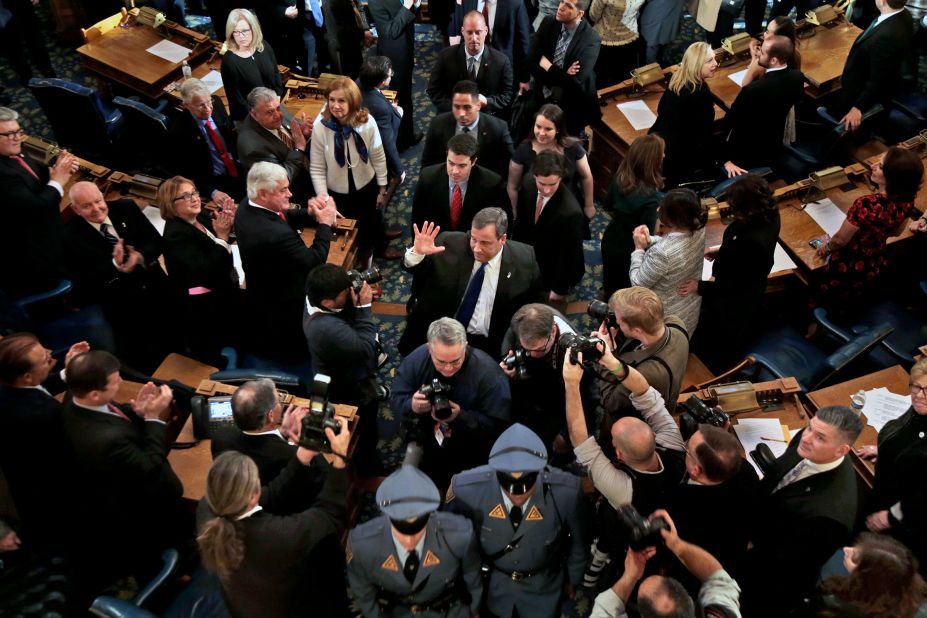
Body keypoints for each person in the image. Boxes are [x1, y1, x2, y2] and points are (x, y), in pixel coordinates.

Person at [62, 350, 190, 604]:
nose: (120, 381)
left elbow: (111, 413)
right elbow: (151, 467)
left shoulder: (73, 398)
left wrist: (138, 411)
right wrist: (154, 419)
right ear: (95, 393)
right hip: (136, 511)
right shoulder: (106, 442)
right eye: (115, 380)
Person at [196, 418, 352, 618]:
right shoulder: (279, 535)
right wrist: (339, 458)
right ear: (253, 495)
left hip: (243, 604)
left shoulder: (206, 509)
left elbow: (273, 493)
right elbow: (329, 513)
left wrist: (301, 457)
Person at [563, 342, 686, 586]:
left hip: (626, 529)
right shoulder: (675, 445)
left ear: (617, 454)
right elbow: (646, 394)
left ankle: (597, 570)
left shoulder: (622, 489)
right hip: (670, 510)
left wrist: (571, 383)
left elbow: (581, 443)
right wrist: (612, 363)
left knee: (610, 540)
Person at [445, 423, 588, 618]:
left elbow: (580, 543)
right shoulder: (467, 488)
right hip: (493, 589)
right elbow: (453, 548)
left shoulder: (566, 492)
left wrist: (573, 580)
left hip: (544, 590)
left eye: (526, 485)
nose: (518, 497)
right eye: (509, 486)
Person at [739, 406, 864, 618]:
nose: (806, 437)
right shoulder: (807, 441)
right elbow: (777, 475)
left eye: (820, 437)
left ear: (841, 450)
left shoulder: (831, 516)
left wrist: (751, 544)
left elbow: (787, 562)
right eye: (809, 428)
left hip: (769, 577)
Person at [398, 208, 544, 357]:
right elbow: (419, 272)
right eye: (474, 239)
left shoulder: (525, 260)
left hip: (491, 345)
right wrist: (417, 254)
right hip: (442, 334)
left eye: (485, 243)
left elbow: (536, 306)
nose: (477, 248)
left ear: (503, 239)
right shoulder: (448, 243)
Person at [346, 464, 483, 618]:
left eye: (417, 532)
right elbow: (363, 592)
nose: (410, 541)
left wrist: (474, 611)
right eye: (401, 532)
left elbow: (473, 578)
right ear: (388, 518)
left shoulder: (459, 535)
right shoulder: (361, 545)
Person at [391, 317, 511, 492]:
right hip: (427, 437)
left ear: (466, 346)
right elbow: (396, 397)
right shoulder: (416, 360)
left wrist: (461, 416)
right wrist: (411, 405)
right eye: (441, 361)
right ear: (428, 348)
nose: (448, 368)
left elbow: (498, 426)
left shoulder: (489, 376)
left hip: (470, 449)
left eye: (455, 361)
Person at [62, 181, 172, 371]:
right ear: (75, 208)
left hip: (157, 289)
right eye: (87, 206)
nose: (97, 209)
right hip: (122, 308)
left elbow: (155, 242)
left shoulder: (126, 208)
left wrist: (140, 256)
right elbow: (82, 287)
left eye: (98, 201)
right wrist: (114, 265)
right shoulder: (68, 237)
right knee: (150, 360)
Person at [234, 162, 336, 360]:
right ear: (263, 193)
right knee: (295, 341)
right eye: (283, 190)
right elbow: (313, 260)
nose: (290, 194)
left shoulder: (248, 203)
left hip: (265, 286)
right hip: (285, 297)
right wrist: (324, 223)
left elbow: (281, 215)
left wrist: (309, 213)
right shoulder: (274, 234)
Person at [678, 175, 779, 372]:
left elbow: (736, 285)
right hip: (741, 275)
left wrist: (700, 286)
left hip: (734, 301)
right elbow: (740, 243)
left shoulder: (754, 242)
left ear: (748, 208)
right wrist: (724, 250)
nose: (731, 210)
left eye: (735, 207)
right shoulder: (769, 214)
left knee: (716, 340)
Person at [0, 335, 87, 555]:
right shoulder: (43, 414)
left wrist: (68, 372)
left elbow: (38, 387)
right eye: (44, 360)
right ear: (26, 376)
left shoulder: (9, 386)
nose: (50, 354)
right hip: (53, 495)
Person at [812, 147, 924, 314]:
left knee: (821, 295)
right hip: (873, 264)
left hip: (846, 266)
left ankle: (814, 327)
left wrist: (826, 247)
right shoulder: (907, 200)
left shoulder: (866, 204)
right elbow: (896, 232)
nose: (873, 165)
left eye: (881, 166)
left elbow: (840, 240)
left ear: (893, 177)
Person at [303, 263, 384, 475]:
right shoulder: (326, 329)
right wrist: (363, 309)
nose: (349, 292)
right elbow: (365, 349)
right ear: (327, 302)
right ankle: (368, 468)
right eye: (344, 292)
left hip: (340, 364)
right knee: (364, 429)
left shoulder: (316, 297)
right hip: (347, 387)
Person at [591, 509, 743, 618]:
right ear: (691, 602)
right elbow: (716, 576)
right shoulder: (721, 614)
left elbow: (604, 611)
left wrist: (629, 577)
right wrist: (676, 544)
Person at [592, 287, 690, 456]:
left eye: (619, 321)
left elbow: (610, 401)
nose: (616, 322)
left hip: (632, 429)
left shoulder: (648, 373)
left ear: (637, 331)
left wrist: (607, 354)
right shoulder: (676, 324)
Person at [663, 425, 759, 593]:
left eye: (687, 449)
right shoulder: (746, 471)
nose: (685, 446)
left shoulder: (681, 505)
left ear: (695, 470)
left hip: (696, 575)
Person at [158, 176, 240, 365]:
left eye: (194, 192)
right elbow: (206, 270)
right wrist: (221, 236)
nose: (195, 198)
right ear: (171, 204)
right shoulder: (175, 236)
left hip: (225, 287)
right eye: (186, 196)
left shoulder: (199, 216)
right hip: (205, 307)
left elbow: (226, 237)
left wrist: (230, 225)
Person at [855, 358, 927, 570]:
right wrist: (887, 450)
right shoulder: (919, 408)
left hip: (904, 518)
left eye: (926, 390)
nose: (919, 395)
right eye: (916, 386)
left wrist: (892, 516)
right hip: (884, 488)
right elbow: (908, 437)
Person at [310, 77, 392, 261]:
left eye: (341, 100)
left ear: (353, 101)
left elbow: (378, 155)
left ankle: (380, 246)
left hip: (366, 184)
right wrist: (325, 199)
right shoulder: (320, 127)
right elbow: (316, 168)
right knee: (353, 231)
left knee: (373, 219)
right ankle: (363, 259)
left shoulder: (367, 121)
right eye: (332, 99)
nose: (335, 105)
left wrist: (382, 186)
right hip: (337, 192)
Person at [0, 107, 78, 298]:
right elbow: (37, 209)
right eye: (9, 134)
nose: (17, 138)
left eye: (18, 131)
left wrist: (59, 167)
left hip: (51, 231)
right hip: (33, 255)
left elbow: (33, 173)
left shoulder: (14, 150)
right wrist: (58, 181)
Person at [499, 303, 592, 460]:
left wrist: (565, 435)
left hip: (558, 401)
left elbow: (587, 398)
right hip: (531, 390)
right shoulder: (523, 321)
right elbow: (509, 336)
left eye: (539, 349)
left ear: (553, 331)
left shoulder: (577, 354)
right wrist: (506, 361)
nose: (532, 355)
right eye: (527, 349)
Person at [721, 35, 804, 177]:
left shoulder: (753, 90)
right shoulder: (798, 77)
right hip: (772, 147)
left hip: (743, 154)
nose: (759, 53)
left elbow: (729, 122)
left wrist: (723, 159)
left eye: (763, 52)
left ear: (774, 60)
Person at [513, 151, 585, 311]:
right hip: (530, 256)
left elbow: (569, 254)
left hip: (552, 268)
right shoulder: (528, 184)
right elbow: (522, 223)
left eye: (552, 184)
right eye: (542, 183)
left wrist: (559, 289)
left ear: (561, 177)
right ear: (534, 176)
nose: (546, 190)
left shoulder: (571, 212)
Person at [629, 188, 707, 334]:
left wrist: (639, 249)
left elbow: (637, 282)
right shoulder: (698, 227)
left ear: (673, 218)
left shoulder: (662, 253)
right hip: (689, 308)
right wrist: (650, 240)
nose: (658, 209)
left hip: (666, 317)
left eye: (663, 208)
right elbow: (675, 243)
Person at [507, 104, 595, 227]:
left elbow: (586, 177)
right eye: (538, 126)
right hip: (533, 207)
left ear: (558, 129)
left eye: (548, 129)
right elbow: (512, 186)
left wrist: (589, 205)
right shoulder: (524, 150)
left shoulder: (573, 148)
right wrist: (514, 210)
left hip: (566, 205)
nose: (541, 133)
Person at [833, 0, 914, 132]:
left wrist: (858, 107)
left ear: (883, 1)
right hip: (863, 79)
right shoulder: (904, 15)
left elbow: (877, 78)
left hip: (856, 94)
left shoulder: (885, 36)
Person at [600, 134, 664, 298]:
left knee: (610, 279)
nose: (664, 156)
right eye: (661, 153)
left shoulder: (619, 178)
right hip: (630, 249)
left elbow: (607, 205)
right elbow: (647, 234)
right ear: (652, 161)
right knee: (626, 290)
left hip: (611, 237)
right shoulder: (652, 198)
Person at [526, 0, 602, 137]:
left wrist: (548, 66)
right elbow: (531, 61)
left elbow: (575, 82)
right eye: (561, 1)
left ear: (580, 13)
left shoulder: (591, 39)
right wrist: (562, 74)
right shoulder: (548, 22)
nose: (560, 7)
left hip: (571, 105)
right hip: (542, 95)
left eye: (568, 6)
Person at [649, 42, 718, 190]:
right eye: (709, 61)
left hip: (661, 143)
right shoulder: (699, 93)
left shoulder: (677, 78)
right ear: (696, 64)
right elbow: (703, 133)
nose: (715, 63)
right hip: (680, 157)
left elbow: (661, 108)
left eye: (714, 59)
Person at [412, 133, 509, 233]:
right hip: (437, 239)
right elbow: (418, 217)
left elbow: (503, 221)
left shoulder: (493, 184)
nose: (454, 171)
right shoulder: (428, 177)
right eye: (451, 163)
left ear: (473, 162)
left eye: (462, 166)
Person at [813, 533, 927, 618]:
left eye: (854, 558)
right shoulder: (905, 587)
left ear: (867, 579)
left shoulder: (840, 607)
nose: (846, 549)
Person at [168, 78, 243, 208]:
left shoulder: (217, 103)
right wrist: (212, 192)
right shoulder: (179, 132)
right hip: (215, 182)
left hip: (239, 168)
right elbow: (186, 173)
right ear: (186, 105)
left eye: (209, 102)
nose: (208, 109)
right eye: (201, 105)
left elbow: (231, 135)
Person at [421, 80, 515, 180]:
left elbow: (508, 165)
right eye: (457, 107)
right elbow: (427, 163)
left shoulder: (498, 128)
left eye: (467, 107)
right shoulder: (437, 124)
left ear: (478, 105)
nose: (461, 114)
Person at [210, 378, 298, 485]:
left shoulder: (221, 436)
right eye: (278, 401)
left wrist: (282, 433)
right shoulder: (289, 455)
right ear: (270, 416)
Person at [237, 87, 315, 206]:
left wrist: (304, 135)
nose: (277, 115)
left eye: (278, 108)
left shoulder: (274, 106)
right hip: (295, 197)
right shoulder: (252, 147)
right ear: (254, 114)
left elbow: (297, 135)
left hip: (312, 177)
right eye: (270, 112)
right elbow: (280, 179)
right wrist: (299, 149)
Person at [427, 11, 514, 115]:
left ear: (486, 31)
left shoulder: (501, 62)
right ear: (462, 31)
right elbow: (433, 90)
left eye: (478, 32)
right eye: (469, 32)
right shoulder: (446, 56)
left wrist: (487, 102)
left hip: (486, 119)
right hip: (452, 116)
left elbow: (507, 95)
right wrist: (456, 108)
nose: (474, 38)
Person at [367, 0, 420, 150]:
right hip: (394, 58)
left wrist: (414, 5)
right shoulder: (375, 3)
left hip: (406, 52)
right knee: (398, 100)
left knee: (407, 97)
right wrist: (407, 6)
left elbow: (408, 16)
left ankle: (409, 136)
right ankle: (401, 142)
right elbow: (391, 31)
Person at [448, 0, 531, 94]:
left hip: (502, 70)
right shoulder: (467, 2)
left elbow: (524, 43)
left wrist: (524, 78)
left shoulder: (515, 3)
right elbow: (464, 34)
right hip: (474, 67)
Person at [220, 9, 285, 121]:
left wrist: (278, 97)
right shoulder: (229, 62)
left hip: (274, 106)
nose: (241, 36)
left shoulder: (263, 46)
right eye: (236, 32)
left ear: (253, 29)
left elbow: (275, 73)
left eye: (245, 30)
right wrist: (262, 115)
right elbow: (238, 101)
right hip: (252, 118)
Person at [359, 56, 405, 185]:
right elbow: (387, 144)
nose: (391, 76)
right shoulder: (380, 108)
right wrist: (399, 171)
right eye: (390, 75)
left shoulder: (358, 82)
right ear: (381, 83)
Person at [589, 0, 644, 90]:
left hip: (605, 43)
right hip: (630, 41)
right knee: (623, 82)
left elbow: (593, 16)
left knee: (601, 82)